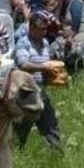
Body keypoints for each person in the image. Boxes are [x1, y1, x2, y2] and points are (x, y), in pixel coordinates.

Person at [14, 12, 61, 149]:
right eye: (41, 29)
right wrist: (43, 67)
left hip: (41, 91)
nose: (44, 32)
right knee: (21, 129)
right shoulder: (23, 43)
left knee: (50, 124)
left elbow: (47, 65)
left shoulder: (45, 43)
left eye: (45, 29)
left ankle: (55, 153)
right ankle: (16, 150)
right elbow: (23, 64)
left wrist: (53, 74)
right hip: (25, 93)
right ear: (32, 28)